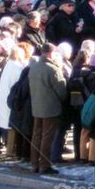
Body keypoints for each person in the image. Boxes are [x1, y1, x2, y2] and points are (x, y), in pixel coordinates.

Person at [27, 43, 67, 174]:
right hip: (50, 108)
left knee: (36, 135)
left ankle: (34, 164)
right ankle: (44, 165)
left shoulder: (34, 67)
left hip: (36, 107)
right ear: (51, 53)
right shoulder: (53, 69)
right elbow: (62, 91)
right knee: (47, 137)